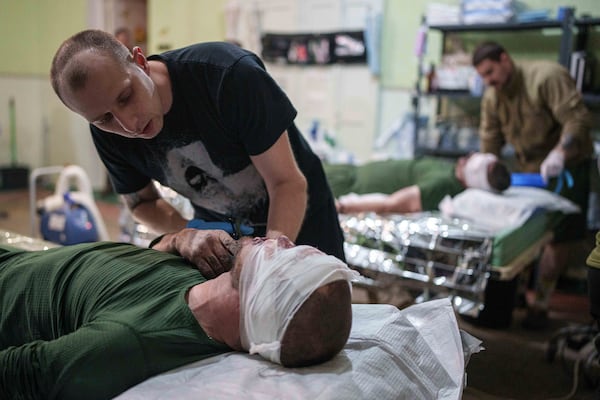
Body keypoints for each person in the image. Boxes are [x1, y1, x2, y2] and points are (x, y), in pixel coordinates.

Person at [49, 29, 345, 262]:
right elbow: (142, 202)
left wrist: (266, 262)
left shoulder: (228, 76)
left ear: (141, 62)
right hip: (223, 237)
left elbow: (287, 183)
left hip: (301, 221)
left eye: (126, 97)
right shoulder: (105, 132)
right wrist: (189, 234)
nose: (128, 124)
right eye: (104, 118)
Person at [0, 229, 356, 400]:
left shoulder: (133, 341)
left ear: (262, 302)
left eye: (286, 256)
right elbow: (145, 256)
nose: (279, 238)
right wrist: (176, 240)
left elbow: (22, 374)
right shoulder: (212, 266)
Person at [472, 41, 594, 329]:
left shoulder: (546, 77)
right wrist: (484, 173)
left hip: (567, 167)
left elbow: (577, 119)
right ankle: (517, 296)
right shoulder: (493, 96)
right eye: (483, 77)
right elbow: (489, 140)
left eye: (491, 72)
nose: (489, 81)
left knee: (557, 238)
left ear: (505, 59)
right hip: (527, 171)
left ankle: (541, 304)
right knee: (523, 232)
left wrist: (560, 153)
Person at [325, 152, 510, 214]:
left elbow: (391, 204)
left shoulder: (442, 186)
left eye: (470, 160)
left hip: (343, 186)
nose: (464, 158)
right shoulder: (451, 169)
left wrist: (342, 207)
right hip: (346, 172)